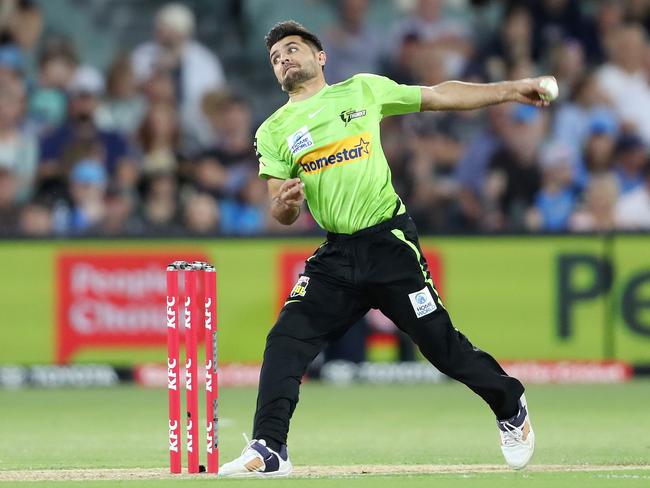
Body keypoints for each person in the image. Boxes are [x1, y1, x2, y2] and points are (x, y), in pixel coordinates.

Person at [219, 20, 553, 477]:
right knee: (285, 339)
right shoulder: (274, 130)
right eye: (276, 58)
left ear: (321, 57)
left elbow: (438, 95)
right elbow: (281, 209)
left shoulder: (362, 91)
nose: (284, 60)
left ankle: (509, 402)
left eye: (292, 50)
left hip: (389, 243)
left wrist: (512, 90)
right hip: (336, 256)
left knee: (442, 348)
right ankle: (270, 448)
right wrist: (286, 203)